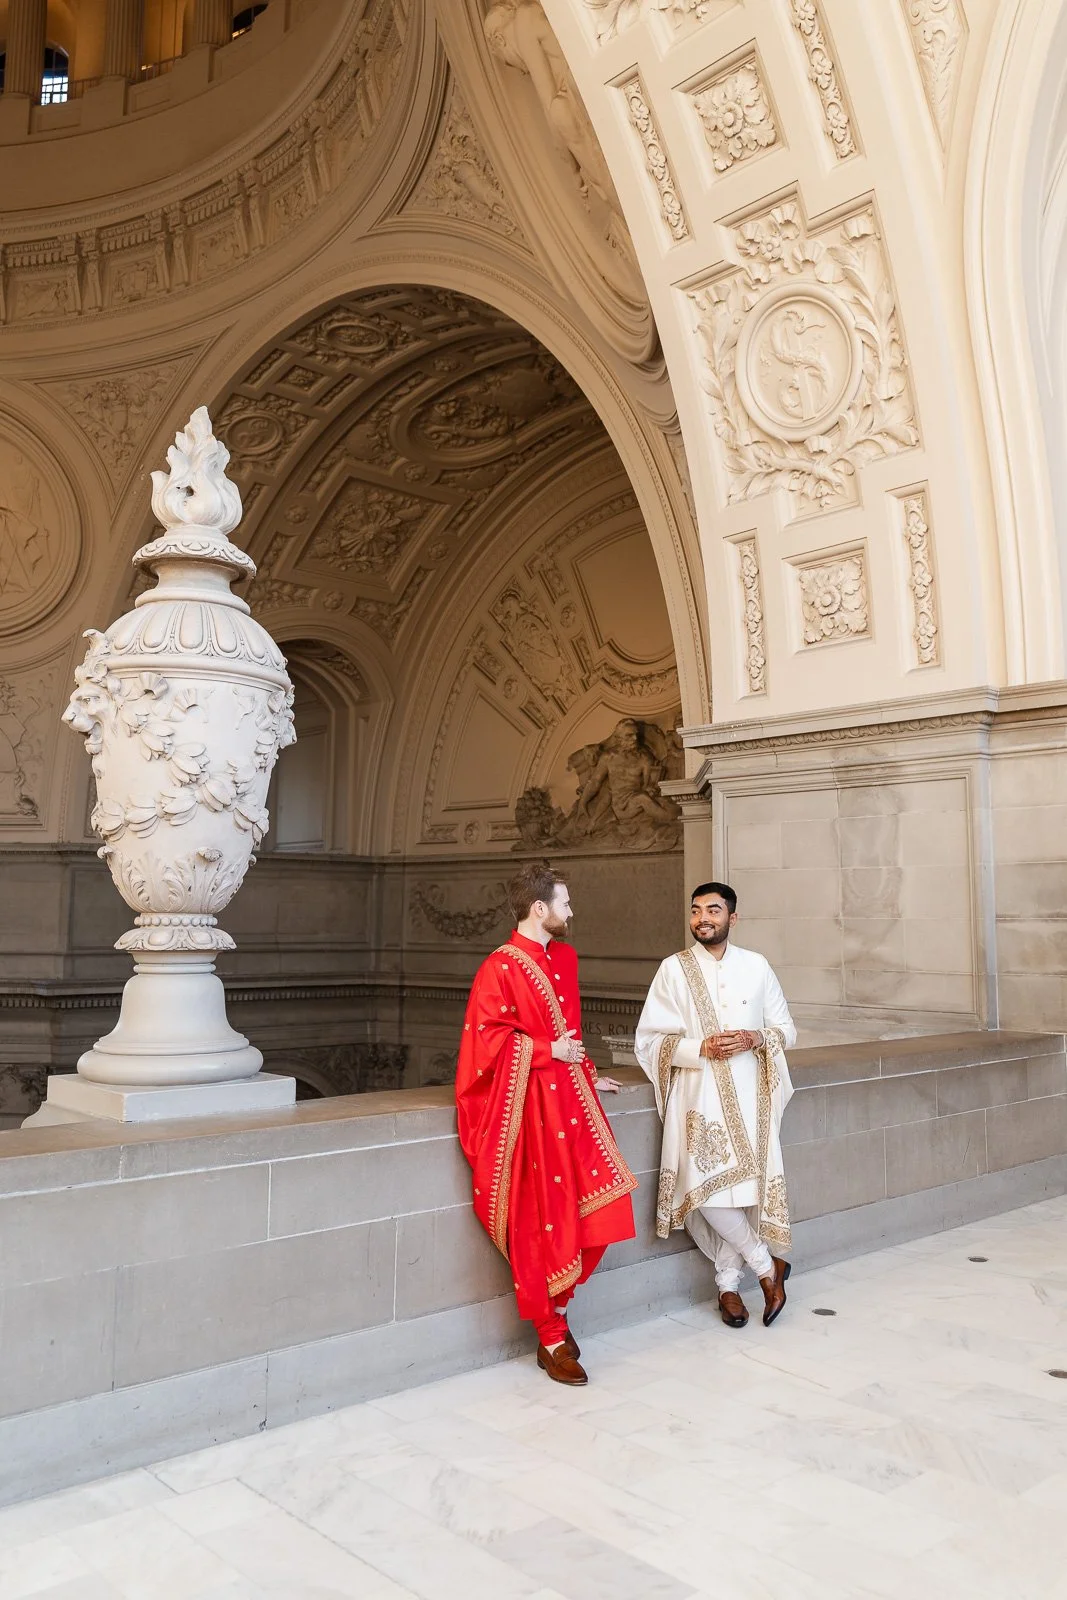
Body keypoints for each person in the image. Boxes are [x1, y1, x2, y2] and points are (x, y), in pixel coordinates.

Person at [455, 861, 637, 1384]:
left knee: (606, 1204)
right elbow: (485, 1042)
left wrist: (585, 1068)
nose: (571, 911)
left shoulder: (565, 958)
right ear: (539, 908)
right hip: (527, 1109)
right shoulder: (499, 967)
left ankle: (559, 1307)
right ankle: (551, 1333)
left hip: (572, 1100)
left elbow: (570, 1030)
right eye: (565, 902)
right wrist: (545, 1050)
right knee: (540, 1217)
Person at [634, 881, 796, 1329]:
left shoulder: (757, 966)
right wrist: (698, 1047)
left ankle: (728, 1286)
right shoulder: (674, 969)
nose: (702, 918)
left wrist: (756, 1036)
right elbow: (649, 1040)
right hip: (699, 1097)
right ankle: (767, 1266)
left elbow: (786, 1029)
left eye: (713, 910)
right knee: (705, 1189)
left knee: (742, 1192)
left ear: (732, 918)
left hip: (752, 1096)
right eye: (696, 910)